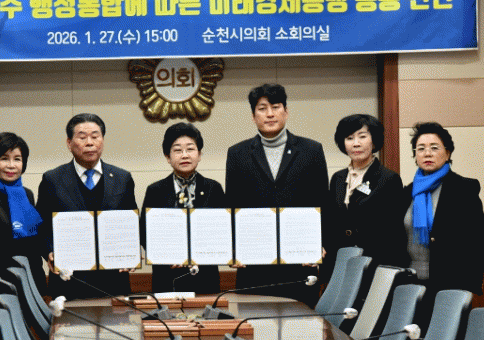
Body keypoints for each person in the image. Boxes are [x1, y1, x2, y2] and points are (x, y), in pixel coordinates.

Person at [225, 83, 329, 306]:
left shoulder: (311, 150)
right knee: (253, 322)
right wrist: (232, 248)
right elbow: (232, 206)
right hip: (254, 264)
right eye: (262, 108)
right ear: (253, 116)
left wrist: (320, 244)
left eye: (275, 107)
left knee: (302, 323)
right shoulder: (237, 153)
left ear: (286, 111)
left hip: (300, 262)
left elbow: (323, 203)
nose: (270, 114)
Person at [37, 113, 137, 299]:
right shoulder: (53, 179)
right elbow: (41, 225)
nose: (89, 143)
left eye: (95, 136)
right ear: (69, 143)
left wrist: (131, 252)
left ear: (103, 140)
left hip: (114, 279)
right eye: (82, 137)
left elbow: (131, 223)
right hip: (69, 280)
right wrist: (49, 251)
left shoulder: (122, 178)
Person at [403, 122, 484, 330]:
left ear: (447, 153)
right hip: (410, 284)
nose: (427, 153)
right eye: (421, 148)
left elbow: (476, 242)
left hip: (450, 283)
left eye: (434, 147)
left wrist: (467, 288)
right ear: (415, 155)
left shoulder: (464, 189)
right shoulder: (407, 192)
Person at [140, 123, 224, 294]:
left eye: (190, 149)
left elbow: (223, 230)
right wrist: (166, 256)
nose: (185, 155)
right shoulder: (155, 190)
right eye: (177, 150)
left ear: (199, 154)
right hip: (167, 277)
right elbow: (144, 232)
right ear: (168, 157)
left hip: (206, 278)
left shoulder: (213, 188)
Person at [323, 114, 406, 276]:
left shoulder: (388, 179)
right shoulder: (338, 178)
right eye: (349, 138)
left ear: (373, 141)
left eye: (362, 137)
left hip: (375, 264)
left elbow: (394, 233)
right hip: (341, 264)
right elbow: (331, 222)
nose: (356, 143)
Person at [0, 132, 46, 305]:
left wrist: (41, 290)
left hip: (26, 289)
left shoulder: (26, 195)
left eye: (17, 159)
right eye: (4, 159)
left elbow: (32, 249)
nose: (11, 165)